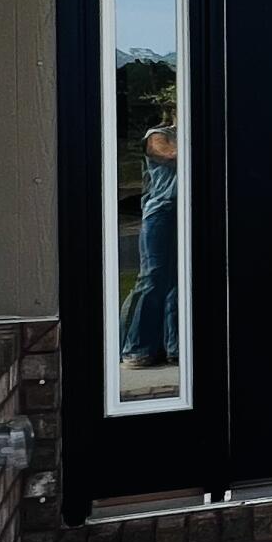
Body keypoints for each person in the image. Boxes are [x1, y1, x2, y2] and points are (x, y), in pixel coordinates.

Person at [119, 118, 178, 371]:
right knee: (152, 277)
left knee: (179, 281)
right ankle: (137, 347)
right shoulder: (158, 135)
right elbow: (167, 153)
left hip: (186, 213)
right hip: (161, 214)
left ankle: (172, 347)